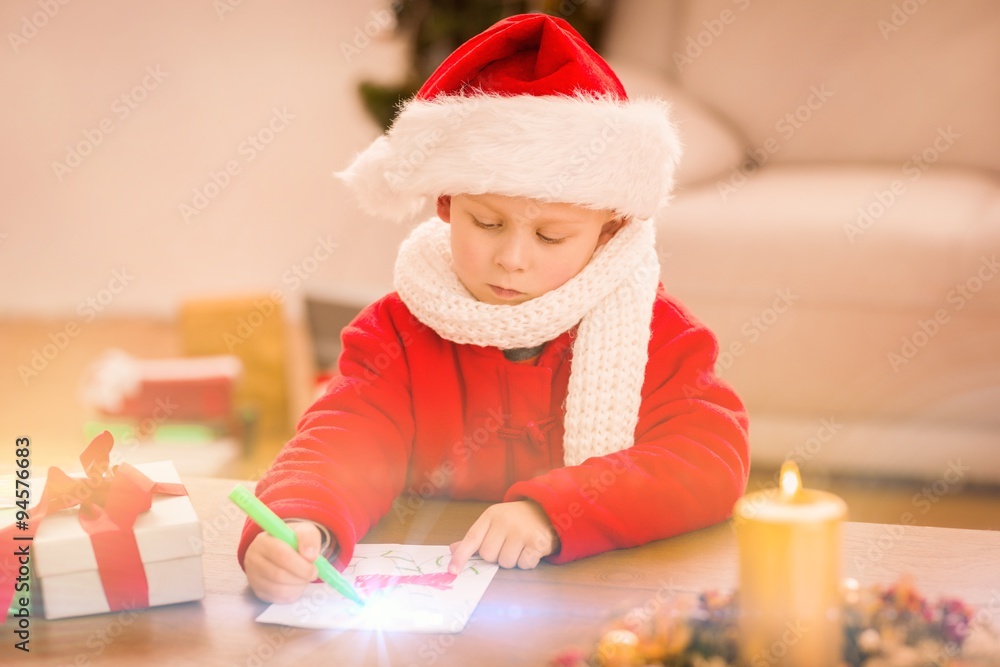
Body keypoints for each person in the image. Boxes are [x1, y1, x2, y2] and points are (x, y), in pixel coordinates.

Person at [238, 12, 749, 604]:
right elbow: (346, 435)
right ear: (447, 205)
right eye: (487, 222)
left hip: (598, 601)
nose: (511, 258)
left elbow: (708, 458)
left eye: (551, 237)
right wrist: (304, 522)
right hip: (439, 592)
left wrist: (555, 509)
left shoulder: (656, 332)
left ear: (608, 232)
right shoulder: (397, 332)